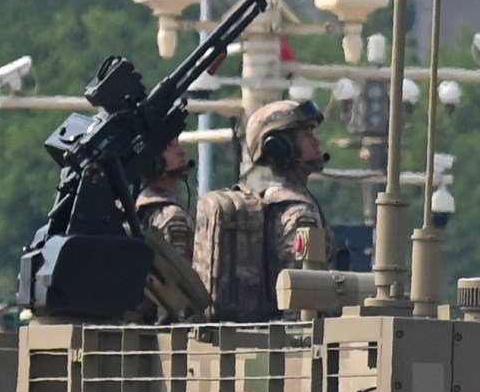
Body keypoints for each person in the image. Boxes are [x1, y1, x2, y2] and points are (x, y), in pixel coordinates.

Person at [197, 96, 335, 319]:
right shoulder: (298, 214)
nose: (316, 142)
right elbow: (301, 296)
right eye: (307, 134)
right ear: (280, 148)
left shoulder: (270, 201)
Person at [130, 140, 213, 321]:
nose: (182, 152)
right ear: (151, 160)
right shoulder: (173, 216)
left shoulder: (127, 211)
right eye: (170, 146)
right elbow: (177, 295)